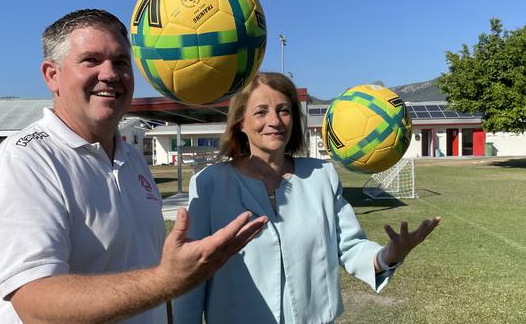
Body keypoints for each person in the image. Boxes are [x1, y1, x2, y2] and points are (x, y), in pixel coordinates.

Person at [0, 9, 268, 324]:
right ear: (52, 75)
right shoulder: (26, 161)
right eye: (90, 60)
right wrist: (165, 281)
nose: (110, 74)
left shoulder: (132, 159)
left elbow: (153, 275)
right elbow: (35, 305)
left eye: (121, 62)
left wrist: (164, 289)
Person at [173, 72, 441, 323]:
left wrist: (389, 254)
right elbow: (193, 273)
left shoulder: (321, 175)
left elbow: (350, 247)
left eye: (284, 110)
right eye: (261, 112)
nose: (275, 121)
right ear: (240, 122)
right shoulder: (210, 184)